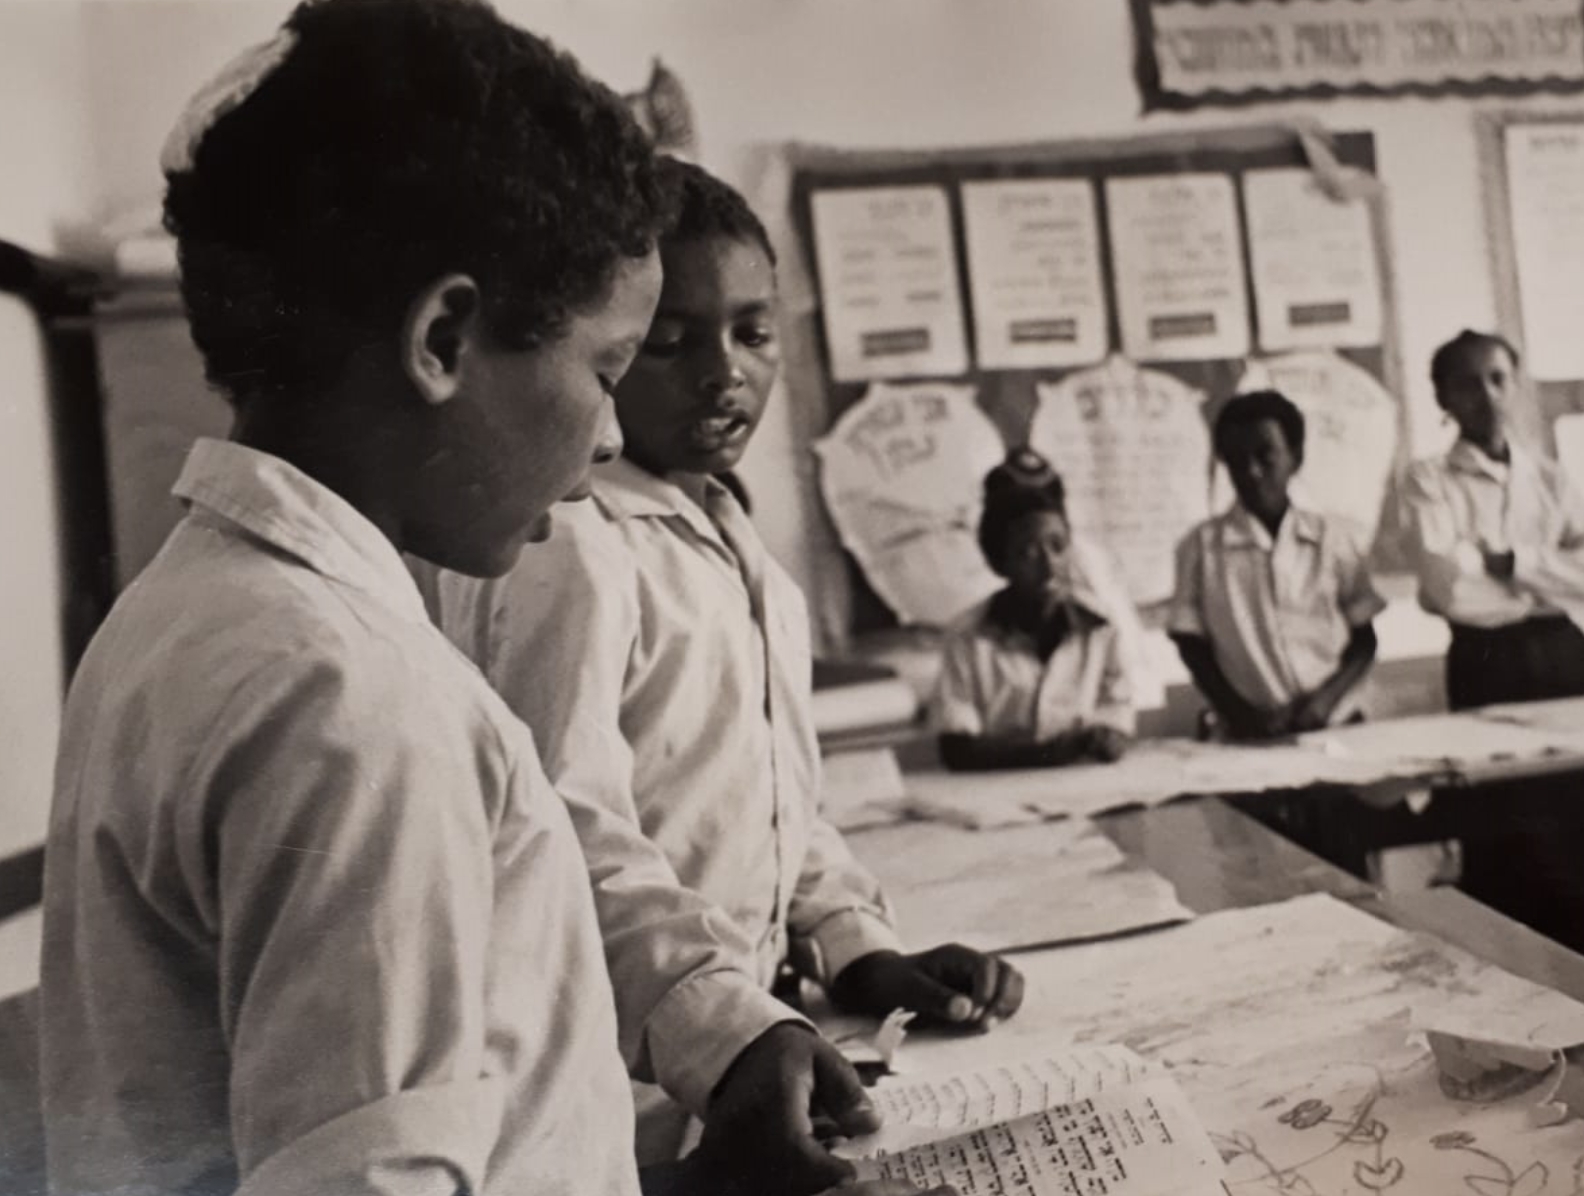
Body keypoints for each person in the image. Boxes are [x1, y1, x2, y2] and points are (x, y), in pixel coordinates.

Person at [39, 6, 940, 1195]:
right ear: (444, 337)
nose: (614, 429)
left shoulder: (187, 613)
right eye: (607, 367)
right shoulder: (351, 704)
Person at [427, 159, 1025, 1166]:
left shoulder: (725, 528)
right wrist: (727, 1030)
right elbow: (560, 829)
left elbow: (773, 798)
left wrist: (854, 943)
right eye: (667, 342)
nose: (725, 371)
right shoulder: (571, 540)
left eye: (752, 332)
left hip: (745, 1052)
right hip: (620, 1084)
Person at [1398, 330, 1584, 955]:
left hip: (1566, 659)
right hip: (1486, 662)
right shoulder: (1428, 481)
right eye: (1468, 383)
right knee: (1511, 842)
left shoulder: (1549, 478)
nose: (1487, 395)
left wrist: (1509, 562)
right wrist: (1552, 575)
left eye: (1499, 379)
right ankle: (1526, 990)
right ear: (1443, 396)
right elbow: (1451, 592)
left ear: (1517, 386)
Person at [1167, 389, 1385, 741]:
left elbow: (1365, 641)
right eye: (1236, 460)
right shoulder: (1200, 549)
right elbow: (1192, 649)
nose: (1251, 472)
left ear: (1295, 458)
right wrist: (1243, 715)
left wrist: (1325, 701)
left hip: (1339, 719)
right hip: (1252, 730)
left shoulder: (1335, 539)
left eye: (1265, 456)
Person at [933, 453, 1140, 770]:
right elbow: (957, 751)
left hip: (1083, 785)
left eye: (1057, 546)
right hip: (998, 794)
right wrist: (1049, 753)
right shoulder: (967, 637)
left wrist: (1111, 735)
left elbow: (1117, 708)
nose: (1049, 566)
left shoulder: (1100, 625)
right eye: (1027, 552)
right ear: (998, 562)